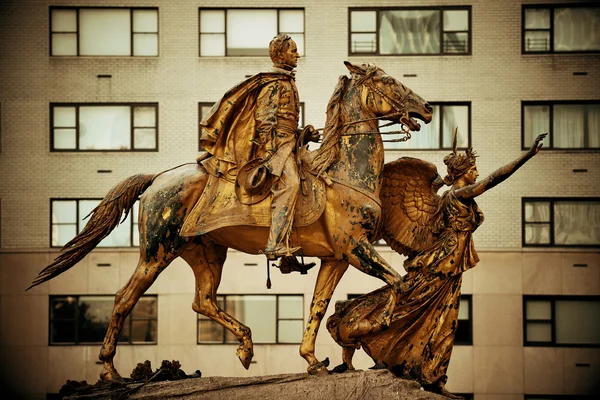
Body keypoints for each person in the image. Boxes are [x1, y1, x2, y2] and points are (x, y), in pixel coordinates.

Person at [327, 133, 547, 399]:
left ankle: (432, 377)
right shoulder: (459, 196)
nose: (477, 172)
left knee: (443, 323)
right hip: (440, 266)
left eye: (476, 168)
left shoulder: (446, 198)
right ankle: (355, 324)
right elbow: (493, 179)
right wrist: (526, 156)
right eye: (472, 169)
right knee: (409, 310)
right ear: (462, 174)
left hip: (450, 269)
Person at [194, 34, 317, 259]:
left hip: (287, 142)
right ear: (280, 54)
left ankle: (290, 252)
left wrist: (303, 134)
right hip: (276, 147)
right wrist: (271, 150)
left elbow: (285, 122)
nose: (297, 54)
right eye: (293, 51)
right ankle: (275, 244)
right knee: (289, 185)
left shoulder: (288, 81)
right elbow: (264, 118)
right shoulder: (273, 82)